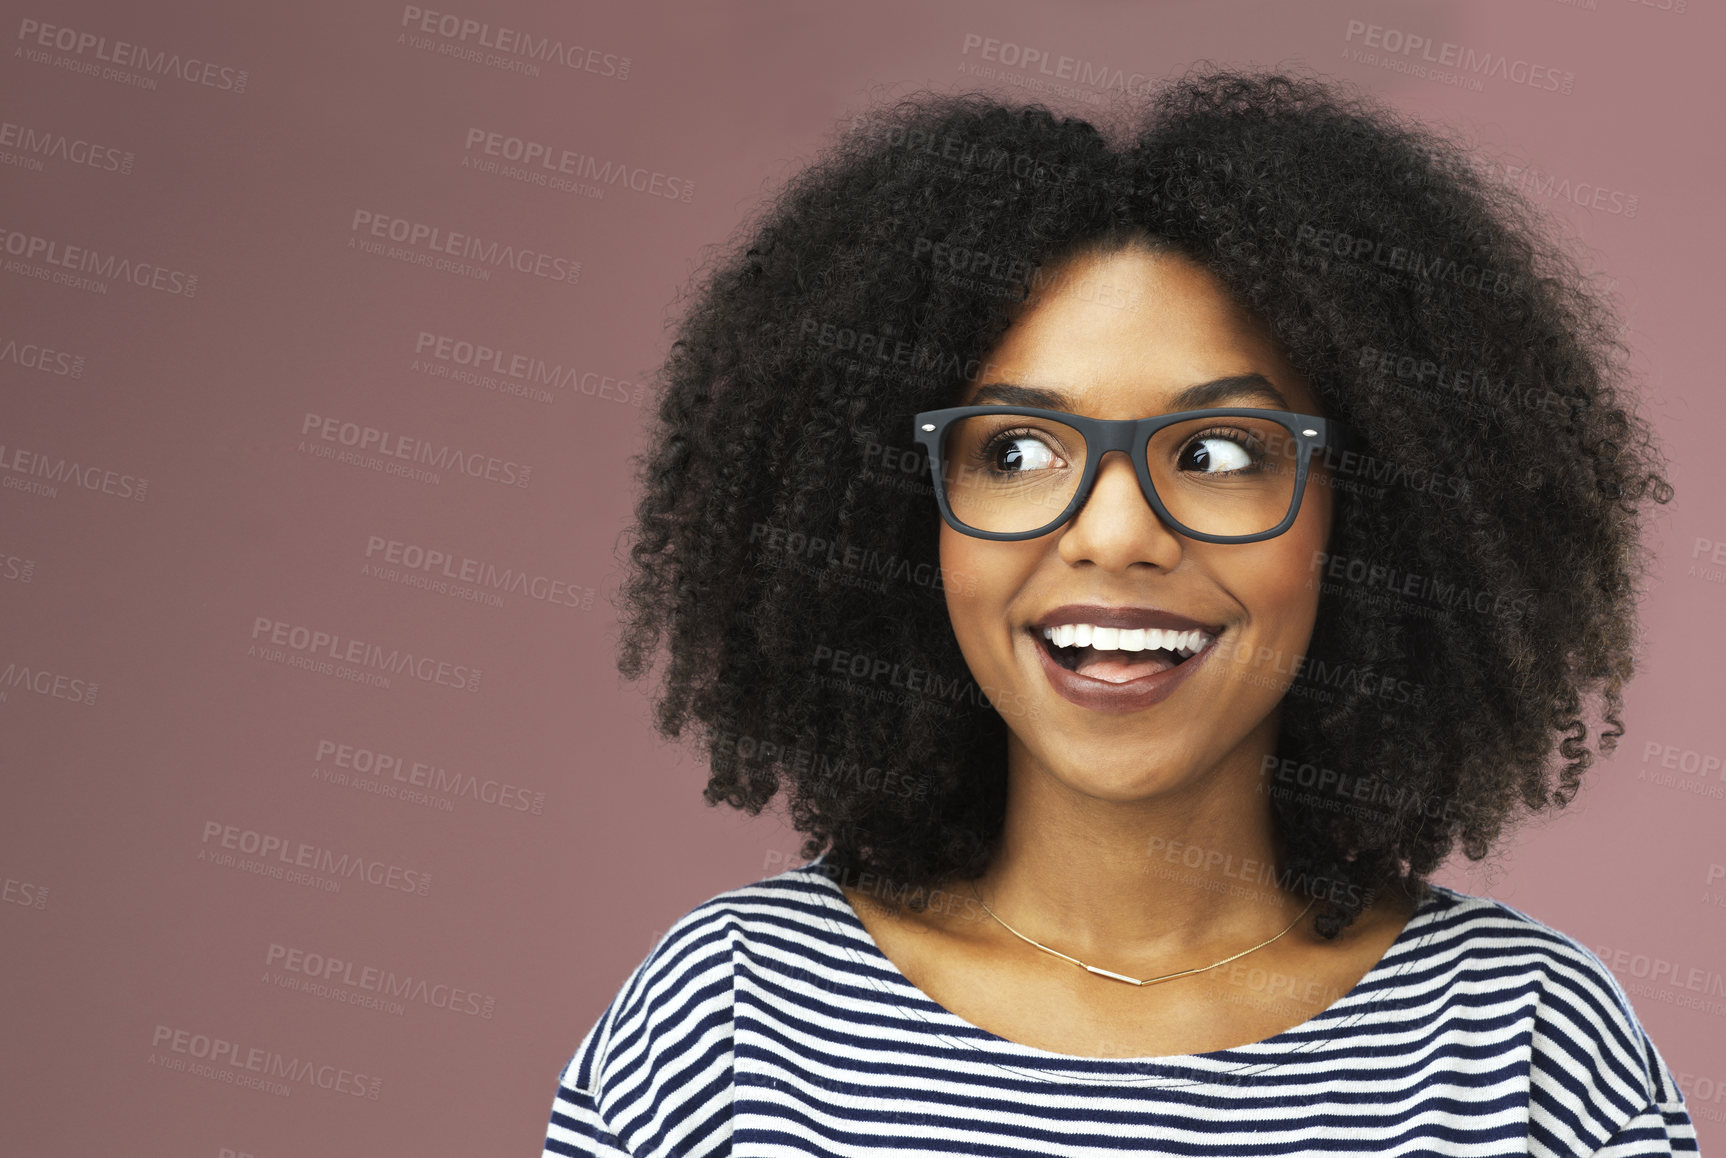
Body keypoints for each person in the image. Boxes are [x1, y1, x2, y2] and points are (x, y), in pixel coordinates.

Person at [542, 68, 1694, 1156]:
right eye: (1020, 449)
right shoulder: (728, 1028)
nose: (1116, 534)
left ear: (1377, 511)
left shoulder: (1527, 1048)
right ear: (898, 523)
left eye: (1214, 450)